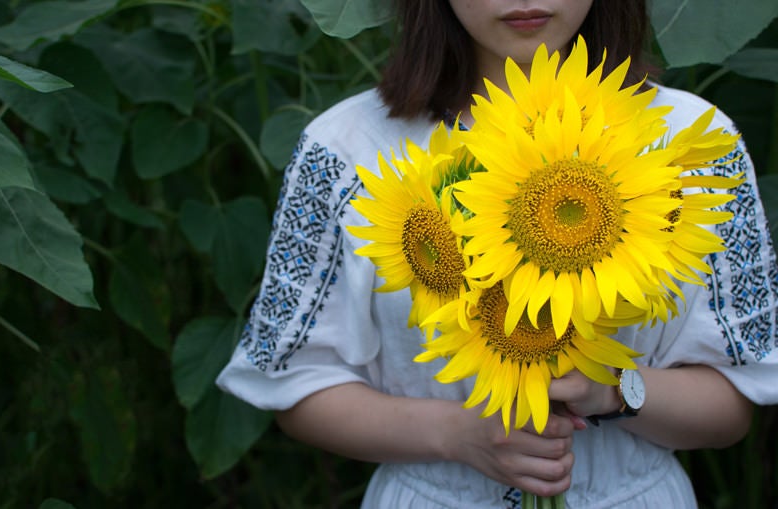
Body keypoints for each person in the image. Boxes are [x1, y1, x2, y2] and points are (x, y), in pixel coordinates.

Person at [217, 1, 778, 507]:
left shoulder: (689, 145)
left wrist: (611, 389)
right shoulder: (346, 149)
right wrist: (455, 435)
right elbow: (294, 383)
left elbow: (733, 404)